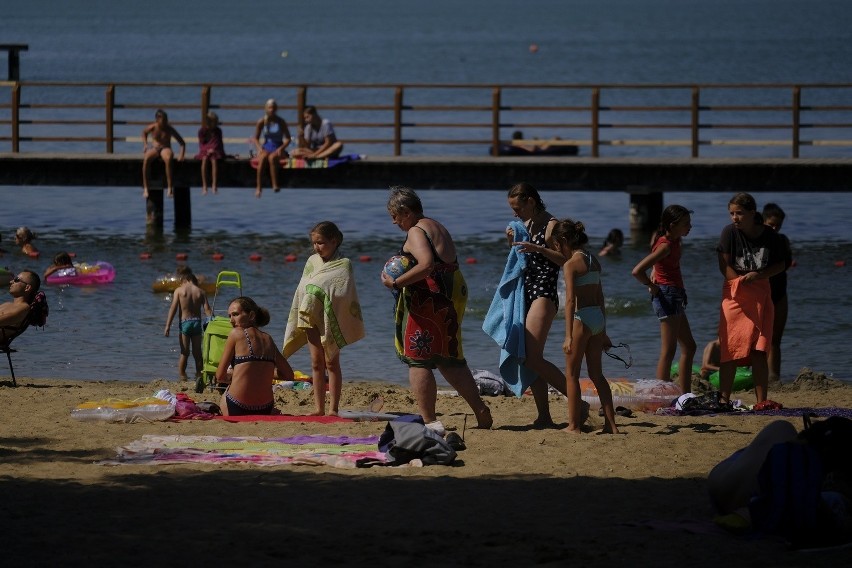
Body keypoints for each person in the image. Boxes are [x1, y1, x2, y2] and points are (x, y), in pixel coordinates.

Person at [380, 186, 493, 434]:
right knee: (448, 356)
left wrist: (396, 282)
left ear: (406, 211)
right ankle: (479, 409)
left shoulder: (416, 231)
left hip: (430, 296)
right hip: (452, 289)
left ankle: (429, 420)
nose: (393, 222)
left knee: (418, 358)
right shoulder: (435, 225)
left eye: (395, 216)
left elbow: (427, 265)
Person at [283, 221, 365, 416]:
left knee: (331, 362)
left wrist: (317, 293)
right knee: (316, 363)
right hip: (310, 316)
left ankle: (333, 409)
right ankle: (318, 408)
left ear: (334, 241)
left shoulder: (344, 263)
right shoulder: (312, 261)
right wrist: (309, 301)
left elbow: (343, 291)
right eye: (314, 243)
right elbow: (304, 287)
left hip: (331, 316)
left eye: (320, 243)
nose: (316, 247)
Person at [505, 182, 569, 427]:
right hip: (526, 293)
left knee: (532, 357)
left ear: (531, 201)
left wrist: (538, 248)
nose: (515, 214)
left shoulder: (552, 225)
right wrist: (511, 241)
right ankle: (544, 416)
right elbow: (519, 258)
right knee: (526, 357)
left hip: (544, 293)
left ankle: (578, 402)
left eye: (517, 207)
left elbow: (566, 259)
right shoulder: (526, 224)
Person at [716, 192, 787, 406]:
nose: (735, 218)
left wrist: (760, 275)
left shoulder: (770, 236)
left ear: (752, 213)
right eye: (731, 213)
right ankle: (723, 399)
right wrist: (739, 282)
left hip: (761, 293)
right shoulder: (729, 233)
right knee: (729, 347)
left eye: (739, 213)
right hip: (735, 294)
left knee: (759, 349)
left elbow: (780, 265)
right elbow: (724, 265)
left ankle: (761, 401)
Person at [553, 219, 618, 434]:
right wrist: (604, 330)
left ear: (563, 240)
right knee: (596, 375)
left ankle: (573, 426)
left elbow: (570, 301)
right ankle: (611, 425)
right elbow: (600, 296)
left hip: (581, 319)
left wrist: (568, 336)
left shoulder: (570, 264)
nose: (556, 249)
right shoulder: (593, 260)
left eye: (556, 245)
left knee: (571, 375)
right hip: (597, 318)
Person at [631, 205, 696, 394]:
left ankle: (685, 395)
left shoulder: (672, 240)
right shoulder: (666, 245)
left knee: (690, 346)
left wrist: (655, 270)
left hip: (674, 296)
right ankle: (661, 397)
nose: (690, 227)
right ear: (673, 225)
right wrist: (651, 286)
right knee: (668, 351)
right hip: (666, 296)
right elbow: (636, 271)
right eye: (686, 224)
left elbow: (656, 261)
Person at [215, 296, 294, 416]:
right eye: (229, 316)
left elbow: (220, 376)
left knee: (226, 392)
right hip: (265, 408)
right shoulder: (268, 339)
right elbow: (289, 375)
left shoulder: (235, 334)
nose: (231, 320)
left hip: (237, 406)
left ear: (251, 316)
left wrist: (234, 375)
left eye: (235, 314)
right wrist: (261, 372)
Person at [164, 266, 212, 380]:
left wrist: (167, 326)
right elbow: (207, 310)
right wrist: (212, 323)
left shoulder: (179, 291)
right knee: (197, 353)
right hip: (196, 323)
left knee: (184, 353)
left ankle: (182, 376)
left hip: (185, 323)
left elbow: (173, 309)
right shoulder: (201, 292)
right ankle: (199, 376)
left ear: (185, 280)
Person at [762, 203, 793, 383]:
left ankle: (774, 377)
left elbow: (786, 264)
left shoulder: (782, 241)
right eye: (771, 224)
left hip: (780, 293)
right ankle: (754, 374)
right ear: (763, 220)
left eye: (778, 225)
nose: (774, 228)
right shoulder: (757, 240)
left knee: (775, 339)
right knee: (757, 338)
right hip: (760, 294)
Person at [141, 109, 186, 199]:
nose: (165, 122)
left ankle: (169, 188)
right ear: (157, 120)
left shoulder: (169, 129)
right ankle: (146, 188)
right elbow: (144, 133)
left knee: (168, 158)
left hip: (165, 148)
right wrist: (145, 144)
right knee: (146, 160)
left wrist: (181, 154)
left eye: (166, 119)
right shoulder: (153, 127)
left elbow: (182, 143)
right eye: (163, 120)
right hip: (155, 148)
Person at [252, 98, 291, 197]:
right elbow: (255, 138)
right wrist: (259, 148)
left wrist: (282, 148)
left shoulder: (281, 121)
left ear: (276, 109)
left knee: (272, 158)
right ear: (266, 109)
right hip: (266, 145)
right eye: (269, 108)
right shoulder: (262, 121)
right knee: (263, 158)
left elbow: (288, 139)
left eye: (273, 108)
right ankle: (258, 187)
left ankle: (275, 184)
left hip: (278, 146)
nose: (271, 110)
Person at [196, 111, 226, 195]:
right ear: (208, 122)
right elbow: (201, 143)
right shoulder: (202, 131)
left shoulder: (218, 131)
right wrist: (207, 150)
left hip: (216, 150)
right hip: (205, 151)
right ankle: (204, 186)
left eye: (216, 122)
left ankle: (214, 185)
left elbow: (218, 142)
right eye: (214, 122)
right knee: (205, 159)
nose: (216, 123)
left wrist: (213, 149)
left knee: (214, 160)